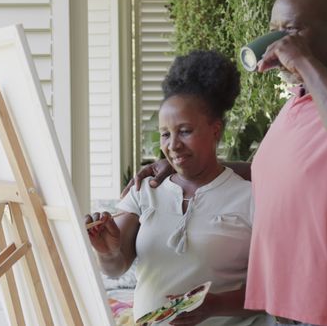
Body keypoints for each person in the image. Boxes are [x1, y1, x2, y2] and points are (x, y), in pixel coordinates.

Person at [126, 0, 327, 325]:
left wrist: (303, 62)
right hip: (289, 310)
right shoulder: (297, 104)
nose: (279, 44)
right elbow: (276, 173)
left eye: (291, 31)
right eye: (275, 31)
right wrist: (179, 164)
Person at [86, 50, 269, 326]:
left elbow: (273, 290)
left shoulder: (250, 198)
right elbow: (116, 267)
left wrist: (214, 306)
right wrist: (108, 252)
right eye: (165, 134)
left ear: (215, 130)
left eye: (185, 131)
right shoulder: (144, 190)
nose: (173, 145)